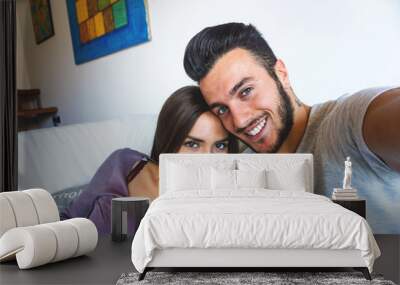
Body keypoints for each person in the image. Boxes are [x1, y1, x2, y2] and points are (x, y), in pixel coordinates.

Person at [183, 22, 400, 233]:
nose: (239, 121)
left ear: (281, 74)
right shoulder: (242, 169)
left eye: (246, 91)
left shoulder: (345, 122)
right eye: (221, 109)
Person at [61, 86, 239, 234]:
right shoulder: (125, 164)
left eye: (220, 146)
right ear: (169, 140)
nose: (208, 160)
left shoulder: (223, 200)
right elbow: (68, 220)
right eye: (192, 144)